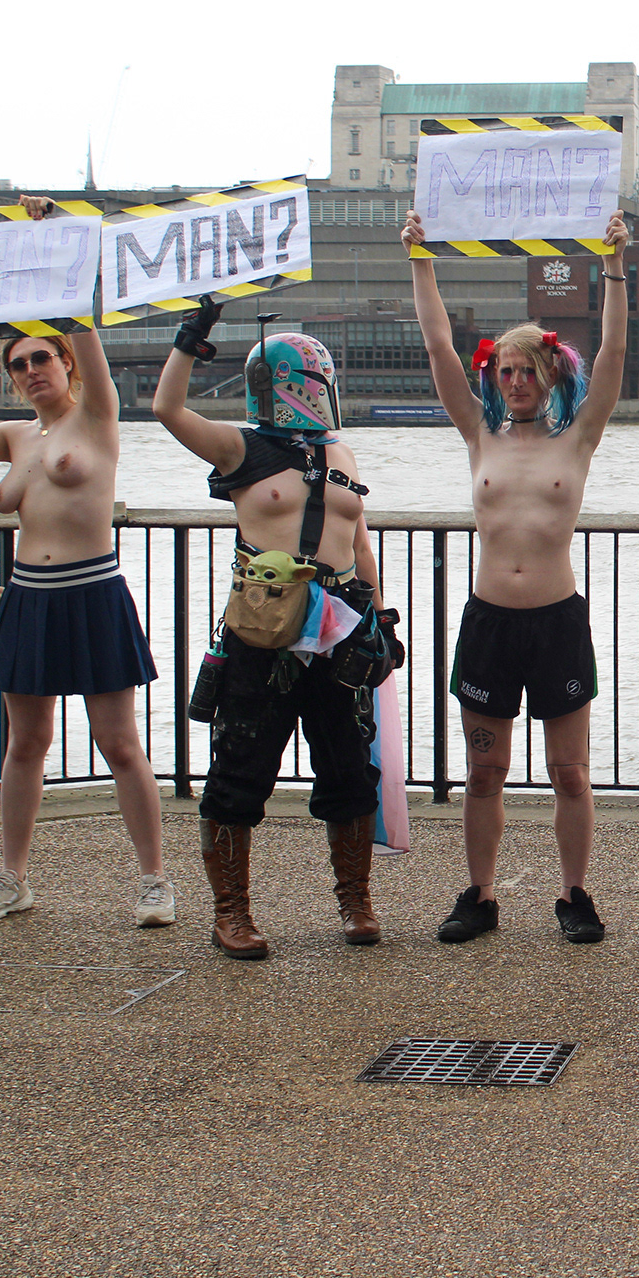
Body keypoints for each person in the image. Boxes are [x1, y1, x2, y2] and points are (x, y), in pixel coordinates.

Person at [0, 197, 171, 928]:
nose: (30, 370)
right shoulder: (13, 436)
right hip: (30, 595)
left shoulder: (97, 416)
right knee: (26, 742)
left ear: (65, 364)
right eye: (17, 363)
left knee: (118, 742)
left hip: (91, 591)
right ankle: (12, 877)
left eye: (40, 358)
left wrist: (55, 239)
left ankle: (154, 879)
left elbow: (84, 326)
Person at [401, 208, 631, 945]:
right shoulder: (479, 434)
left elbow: (618, 351)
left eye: (527, 369)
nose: (515, 381)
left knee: (569, 772)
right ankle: (480, 893)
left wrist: (616, 266)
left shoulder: (578, 438)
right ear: (493, 376)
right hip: (490, 621)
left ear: (549, 372)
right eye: (505, 370)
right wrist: (421, 258)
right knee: (486, 771)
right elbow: (438, 343)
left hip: (557, 620)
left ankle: (574, 895)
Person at [152, 308, 391, 960]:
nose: (321, 390)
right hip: (263, 630)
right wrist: (192, 339)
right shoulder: (242, 448)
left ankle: (356, 901)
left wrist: (382, 620)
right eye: (314, 380)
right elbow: (169, 410)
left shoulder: (339, 451)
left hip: (341, 630)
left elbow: (358, 540)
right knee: (240, 771)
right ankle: (231, 913)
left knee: (348, 769)